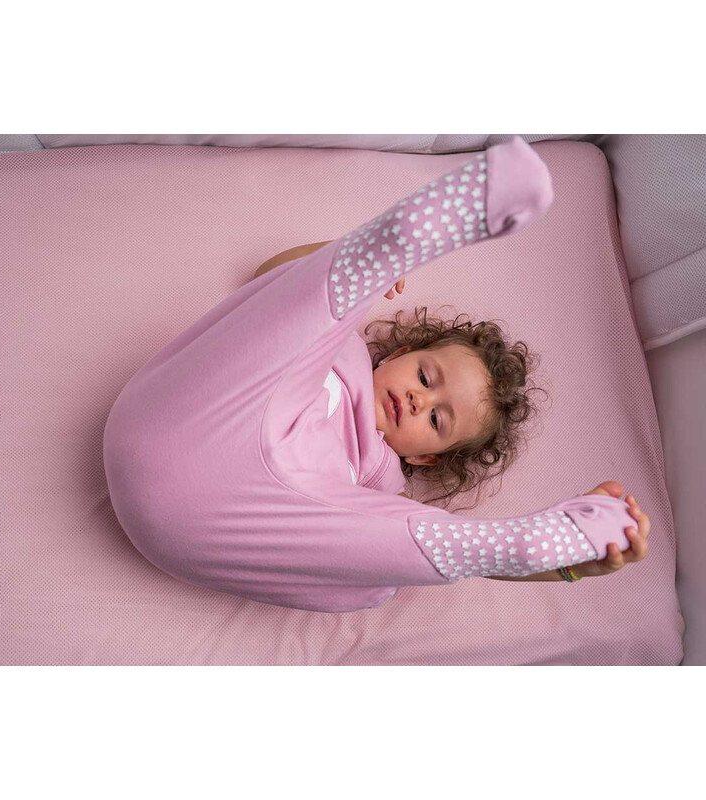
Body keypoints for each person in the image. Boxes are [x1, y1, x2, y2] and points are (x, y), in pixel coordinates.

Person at [103, 136, 649, 612]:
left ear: (425, 458)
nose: (418, 401)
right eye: (426, 378)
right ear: (400, 353)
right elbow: (271, 282)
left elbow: (372, 539)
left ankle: (513, 546)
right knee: (293, 317)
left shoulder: (379, 479)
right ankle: (373, 255)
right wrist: (331, 265)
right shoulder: (345, 349)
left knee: (390, 554)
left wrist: (566, 567)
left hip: (231, 522)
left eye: (436, 420)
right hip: (188, 419)